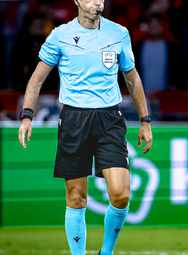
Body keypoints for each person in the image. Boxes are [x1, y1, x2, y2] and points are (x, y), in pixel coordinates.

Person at [17, 0, 153, 254]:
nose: (97, 2)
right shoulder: (60, 36)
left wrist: (145, 121)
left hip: (109, 120)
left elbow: (132, 79)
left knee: (121, 195)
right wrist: (27, 116)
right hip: (73, 120)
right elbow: (36, 80)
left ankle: (106, 251)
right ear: (77, 1)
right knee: (76, 198)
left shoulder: (119, 33)